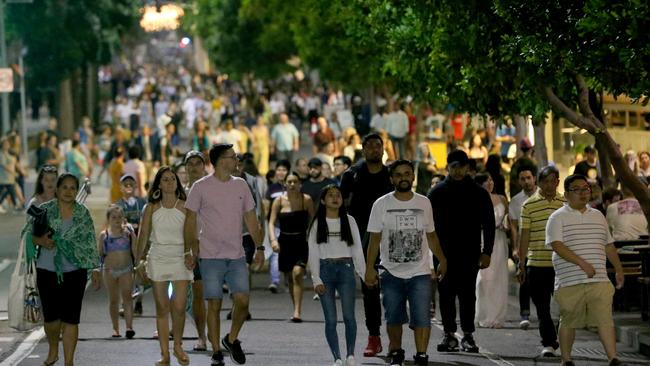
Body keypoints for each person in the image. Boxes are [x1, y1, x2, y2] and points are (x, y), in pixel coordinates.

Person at [184, 143, 264, 366]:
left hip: (236, 254)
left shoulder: (241, 186)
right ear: (220, 161)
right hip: (209, 256)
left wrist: (260, 247)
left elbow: (251, 218)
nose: (236, 159)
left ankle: (231, 338)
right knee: (214, 303)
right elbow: (190, 220)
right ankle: (216, 351)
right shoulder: (200, 187)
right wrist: (191, 248)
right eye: (232, 156)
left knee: (243, 300)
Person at [365, 160, 447, 366]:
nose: (403, 178)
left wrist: (442, 260)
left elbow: (432, 236)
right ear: (392, 179)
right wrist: (369, 269)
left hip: (419, 272)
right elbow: (374, 241)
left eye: (407, 173)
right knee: (393, 317)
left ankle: (421, 356)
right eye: (399, 174)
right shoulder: (381, 204)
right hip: (390, 272)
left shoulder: (424, 202)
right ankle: (397, 352)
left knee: (422, 317)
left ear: (413, 177)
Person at [546, 174, 627, 366]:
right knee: (569, 321)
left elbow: (608, 245)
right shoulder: (557, 217)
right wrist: (582, 264)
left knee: (605, 319)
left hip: (599, 279)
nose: (583, 193)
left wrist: (618, 269)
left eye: (586, 189)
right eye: (577, 189)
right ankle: (566, 359)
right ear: (566, 194)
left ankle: (613, 358)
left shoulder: (598, 215)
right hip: (569, 280)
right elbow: (557, 245)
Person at [25, 173, 102, 366]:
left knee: (71, 319)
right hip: (47, 269)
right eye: (64, 187)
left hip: (75, 271)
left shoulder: (82, 213)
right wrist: (41, 241)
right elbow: (26, 235)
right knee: (51, 319)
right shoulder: (44, 211)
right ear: (57, 190)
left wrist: (95, 268)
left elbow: (90, 242)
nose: (68, 191)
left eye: (72, 188)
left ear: (77, 191)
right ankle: (53, 349)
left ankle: (69, 361)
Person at [427, 150, 494, 353]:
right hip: (443, 253)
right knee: (445, 294)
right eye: (453, 166)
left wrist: (487, 252)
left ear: (468, 168)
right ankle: (449, 335)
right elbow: (428, 227)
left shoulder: (478, 193)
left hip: (469, 253)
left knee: (467, 295)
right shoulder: (436, 193)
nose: (457, 171)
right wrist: (432, 257)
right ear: (447, 167)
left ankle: (468, 334)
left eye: (461, 167)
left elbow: (489, 224)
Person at [339, 133, 393, 357]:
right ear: (363, 150)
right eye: (369, 146)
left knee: (393, 289)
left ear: (383, 149)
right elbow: (339, 207)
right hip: (362, 237)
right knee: (370, 286)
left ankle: (395, 336)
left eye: (377, 146)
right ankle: (374, 336)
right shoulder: (352, 175)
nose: (373, 150)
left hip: (392, 236)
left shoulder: (391, 174)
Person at [137, 166, 193, 366]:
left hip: (180, 257)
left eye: (173, 179)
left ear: (177, 183)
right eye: (165, 179)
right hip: (158, 257)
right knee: (162, 308)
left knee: (178, 307)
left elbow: (193, 234)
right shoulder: (151, 207)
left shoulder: (186, 206)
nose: (170, 182)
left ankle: (178, 345)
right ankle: (165, 354)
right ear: (159, 184)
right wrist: (138, 262)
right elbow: (143, 236)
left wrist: (192, 254)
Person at [308, 184, 366, 366]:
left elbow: (357, 249)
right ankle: (337, 358)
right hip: (325, 270)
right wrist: (316, 278)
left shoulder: (350, 221)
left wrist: (364, 274)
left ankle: (350, 355)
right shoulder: (318, 223)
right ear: (323, 201)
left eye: (338, 195)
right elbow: (313, 252)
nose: (335, 198)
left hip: (346, 269)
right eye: (331, 195)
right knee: (331, 319)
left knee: (349, 316)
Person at [518, 165, 565, 357]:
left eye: (553, 181)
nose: (549, 185)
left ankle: (561, 338)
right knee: (542, 308)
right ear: (539, 182)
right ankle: (549, 342)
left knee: (566, 307)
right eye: (545, 181)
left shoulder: (566, 203)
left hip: (562, 265)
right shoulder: (528, 205)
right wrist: (521, 264)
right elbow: (524, 236)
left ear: (558, 182)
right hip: (536, 264)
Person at [268, 172, 315, 321]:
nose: (292, 185)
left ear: (300, 183)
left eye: (295, 182)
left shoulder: (306, 200)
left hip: (301, 240)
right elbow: (271, 222)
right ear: (285, 184)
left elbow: (313, 221)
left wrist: (312, 239)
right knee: (289, 277)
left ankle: (297, 312)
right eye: (290, 182)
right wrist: (273, 240)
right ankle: (295, 307)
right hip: (285, 241)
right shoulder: (279, 201)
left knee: (297, 273)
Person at [473, 173, 510, 328]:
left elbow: (509, 220)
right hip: (483, 238)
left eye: (491, 179)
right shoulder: (476, 199)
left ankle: (497, 316)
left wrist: (505, 227)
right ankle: (483, 313)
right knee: (483, 278)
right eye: (486, 181)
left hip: (499, 239)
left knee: (499, 277)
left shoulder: (501, 198)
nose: (490, 183)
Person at [98, 205, 137, 339]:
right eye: (113, 217)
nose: (117, 220)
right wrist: (97, 270)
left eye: (120, 217)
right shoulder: (104, 235)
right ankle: (115, 328)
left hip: (126, 269)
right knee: (114, 300)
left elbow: (134, 250)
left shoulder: (128, 233)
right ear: (108, 219)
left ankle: (129, 327)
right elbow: (100, 254)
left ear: (123, 218)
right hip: (109, 270)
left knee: (127, 297)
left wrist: (137, 266)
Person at [183, 150, 209, 352]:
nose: (193, 167)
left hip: (211, 248)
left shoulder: (213, 189)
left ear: (204, 166)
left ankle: (208, 337)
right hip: (187, 249)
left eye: (197, 163)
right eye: (190, 163)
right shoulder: (180, 193)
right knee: (191, 295)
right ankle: (201, 335)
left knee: (208, 296)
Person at [508, 161, 538, 330]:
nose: (526, 181)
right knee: (524, 279)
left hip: (542, 246)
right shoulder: (516, 201)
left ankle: (543, 312)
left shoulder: (545, 196)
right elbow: (513, 226)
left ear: (534, 179)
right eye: (523, 179)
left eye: (529, 178)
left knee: (542, 281)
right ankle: (524, 313)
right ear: (519, 181)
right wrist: (515, 247)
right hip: (524, 246)